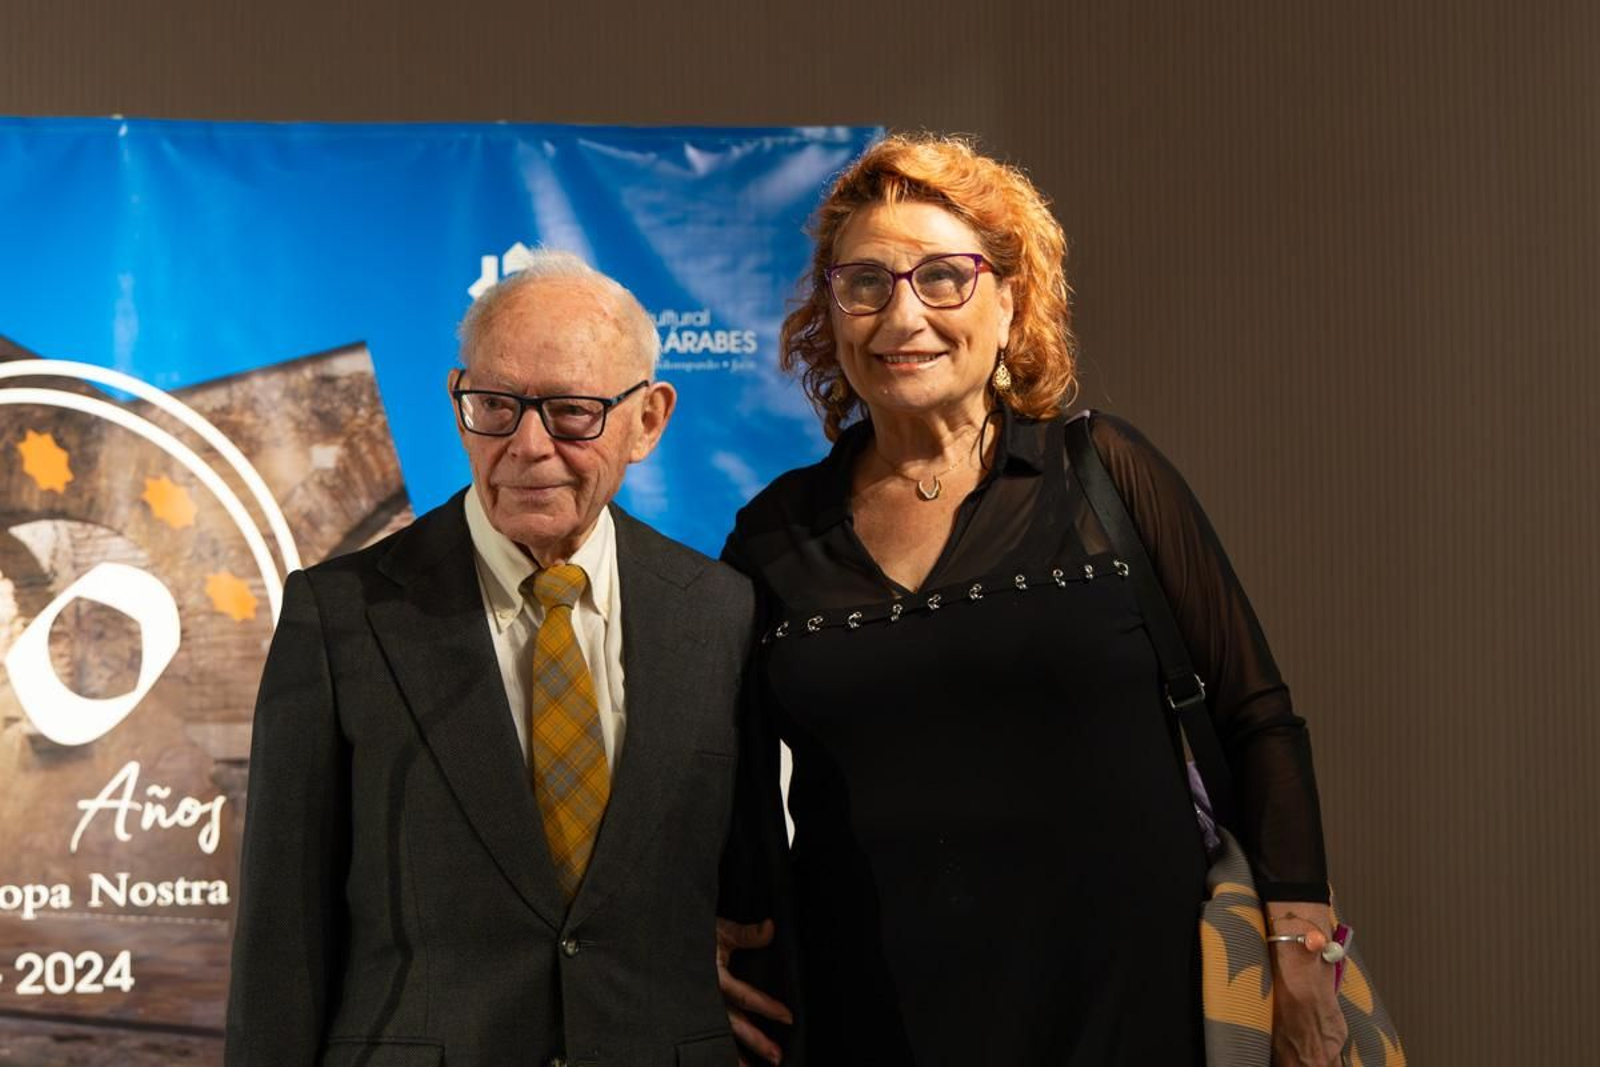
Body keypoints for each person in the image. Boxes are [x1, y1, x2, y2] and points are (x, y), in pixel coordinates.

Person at [719, 135, 1348, 1065]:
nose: (903, 315)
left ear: (1011, 300)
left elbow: (1256, 714)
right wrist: (703, 936)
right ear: (831, 314)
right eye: (865, 283)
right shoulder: (773, 535)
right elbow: (716, 781)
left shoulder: (1105, 475)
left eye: (944, 277)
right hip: (874, 1017)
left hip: (1134, 1004)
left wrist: (1298, 943)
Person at [226, 251, 758, 1067]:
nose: (528, 445)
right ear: (457, 399)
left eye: (573, 411)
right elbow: (281, 938)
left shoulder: (720, 610)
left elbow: (746, 887)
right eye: (496, 406)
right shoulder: (342, 614)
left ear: (648, 420)